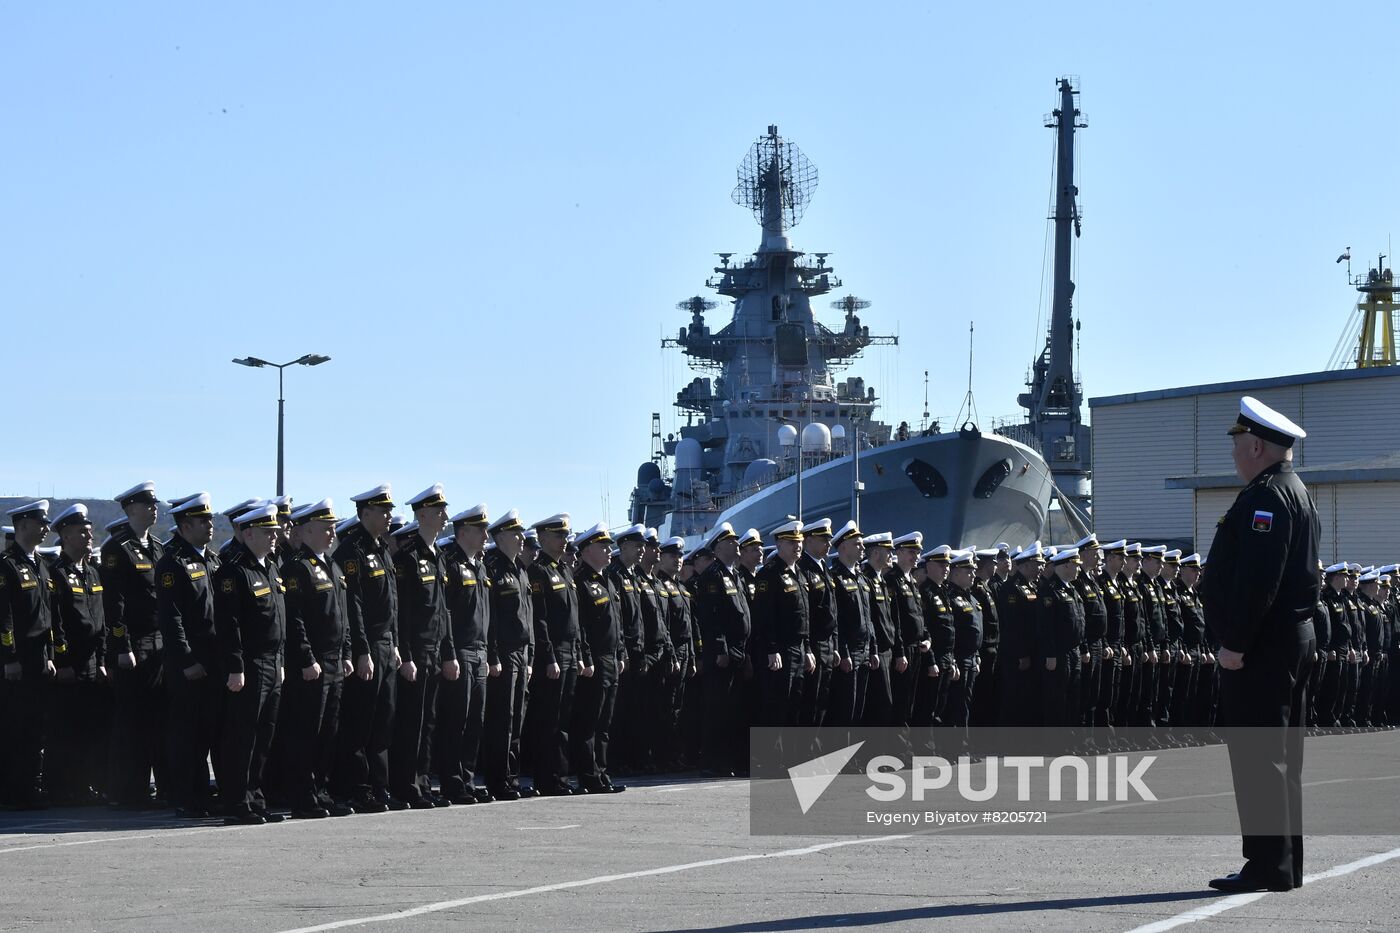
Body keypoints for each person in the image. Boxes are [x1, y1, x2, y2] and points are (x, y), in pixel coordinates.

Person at [1203, 396, 1318, 893]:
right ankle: (1283, 862)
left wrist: (1234, 643)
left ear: (1256, 445)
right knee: (1280, 756)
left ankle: (1268, 864)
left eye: (1236, 442)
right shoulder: (1295, 491)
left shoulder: (1266, 497)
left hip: (1262, 648)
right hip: (1288, 642)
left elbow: (1257, 582)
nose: (1232, 453)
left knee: (1259, 756)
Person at [214, 503, 289, 825]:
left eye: (275, 531)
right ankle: (236, 800)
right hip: (250, 663)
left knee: (263, 736)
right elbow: (229, 624)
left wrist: (282, 660)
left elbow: (278, 619)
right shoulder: (233, 570)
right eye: (267, 532)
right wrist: (235, 666)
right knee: (242, 736)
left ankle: (255, 796)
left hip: (273, 662)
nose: (274, 536)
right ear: (247, 534)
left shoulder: (269, 567)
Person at [277, 499, 352, 818]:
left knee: (328, 732)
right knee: (307, 731)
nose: (332, 532)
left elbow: (344, 615)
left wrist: (347, 652)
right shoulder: (296, 567)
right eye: (326, 527)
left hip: (335, 661)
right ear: (307, 530)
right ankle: (302, 795)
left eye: (333, 526)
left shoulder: (331, 565)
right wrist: (307, 658)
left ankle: (320, 790)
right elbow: (294, 619)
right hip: (312, 663)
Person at [330, 484, 401, 813]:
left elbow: (393, 603)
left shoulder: (382, 548)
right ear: (365, 513)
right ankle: (356, 788)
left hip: (386, 643)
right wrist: (361, 650)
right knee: (361, 721)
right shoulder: (351, 550)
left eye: (389, 510)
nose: (388, 515)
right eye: (382, 510)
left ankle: (378, 786)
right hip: (368, 644)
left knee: (383, 721)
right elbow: (353, 605)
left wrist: (395, 643)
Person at [101, 482, 169, 809]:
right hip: (134, 645)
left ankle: (145, 787)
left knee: (155, 718)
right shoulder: (118, 549)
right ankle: (125, 790)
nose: (154, 509)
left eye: (155, 504)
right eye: (147, 505)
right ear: (130, 510)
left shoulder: (156, 547)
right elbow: (114, 604)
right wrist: (121, 646)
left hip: (158, 644)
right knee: (131, 721)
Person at [390, 484, 458, 808]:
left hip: (434, 651)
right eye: (439, 511)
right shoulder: (406, 558)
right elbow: (399, 612)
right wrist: (404, 655)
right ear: (422, 516)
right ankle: (407, 786)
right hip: (414, 652)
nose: (445, 516)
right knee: (411, 723)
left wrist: (450, 653)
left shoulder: (438, 557)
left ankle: (423, 783)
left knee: (428, 721)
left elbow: (443, 610)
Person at [156, 492, 223, 819]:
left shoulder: (211, 559)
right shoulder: (172, 562)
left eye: (210, 519)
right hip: (190, 664)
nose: (210, 525)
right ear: (185, 525)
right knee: (188, 734)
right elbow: (172, 618)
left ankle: (203, 792)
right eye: (203, 521)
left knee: (208, 732)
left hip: (212, 661)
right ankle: (187, 796)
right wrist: (186, 660)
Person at [47, 504, 110, 806]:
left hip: (91, 663)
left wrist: (101, 660)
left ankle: (84, 785)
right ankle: (61, 788)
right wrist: (63, 662)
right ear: (65, 536)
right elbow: (55, 623)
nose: (89, 535)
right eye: (82, 532)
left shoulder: (93, 573)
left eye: (89, 530)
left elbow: (102, 620)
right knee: (66, 731)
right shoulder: (55, 574)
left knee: (90, 729)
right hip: (70, 665)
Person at [1, 500, 58, 809]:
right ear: (23, 526)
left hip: (38, 659)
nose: (46, 528)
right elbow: (4, 616)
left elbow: (47, 615)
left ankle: (28, 787)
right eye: (40, 523)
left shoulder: (41, 564)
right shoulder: (7, 564)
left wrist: (50, 654)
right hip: (18, 661)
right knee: (14, 727)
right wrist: (8, 657)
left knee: (35, 728)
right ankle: (13, 791)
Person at [437, 503, 493, 805]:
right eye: (481, 529)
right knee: (455, 722)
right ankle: (452, 782)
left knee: (474, 723)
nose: (486, 534)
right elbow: (445, 612)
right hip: (460, 651)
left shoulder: (479, 565)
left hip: (480, 651)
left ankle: (467, 780)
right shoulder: (451, 564)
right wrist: (449, 653)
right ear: (465, 532)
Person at [526, 513, 581, 796]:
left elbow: (575, 618)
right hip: (554, 653)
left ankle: (560, 775)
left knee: (563, 719)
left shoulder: (565, 571)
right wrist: (548, 657)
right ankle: (546, 778)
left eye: (565, 536)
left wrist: (581, 653)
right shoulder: (538, 572)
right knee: (548, 718)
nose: (564, 541)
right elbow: (541, 619)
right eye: (558, 536)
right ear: (543, 538)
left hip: (571, 651)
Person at [571, 522, 626, 794]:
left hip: (611, 659)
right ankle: (588, 776)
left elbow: (618, 623)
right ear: (587, 551)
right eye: (602, 546)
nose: (608, 550)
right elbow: (580, 625)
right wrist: (586, 657)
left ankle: (602, 773)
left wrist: (621, 653)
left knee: (605, 723)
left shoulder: (609, 580)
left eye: (608, 546)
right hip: (594, 661)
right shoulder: (580, 581)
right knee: (589, 722)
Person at [482, 509, 533, 801]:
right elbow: (491, 617)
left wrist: (532, 655)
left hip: (522, 653)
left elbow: (529, 616)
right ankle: (497, 779)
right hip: (503, 651)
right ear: (501, 536)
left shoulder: (520, 570)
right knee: (501, 719)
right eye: (516, 533)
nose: (521, 538)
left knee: (516, 720)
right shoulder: (494, 569)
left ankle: (511, 778)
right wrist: (493, 654)